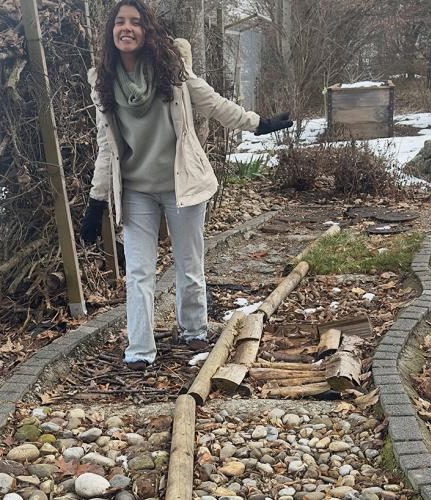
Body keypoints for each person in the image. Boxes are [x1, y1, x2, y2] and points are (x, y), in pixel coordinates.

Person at [79, 0, 292, 370]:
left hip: (183, 184)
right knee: (139, 273)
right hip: (136, 190)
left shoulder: (171, 68)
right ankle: (139, 350)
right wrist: (96, 202)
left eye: (135, 22)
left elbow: (213, 104)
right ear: (111, 31)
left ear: (146, 30)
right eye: (120, 22)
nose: (127, 28)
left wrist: (258, 124)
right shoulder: (103, 81)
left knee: (189, 263)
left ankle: (194, 329)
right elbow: (106, 146)